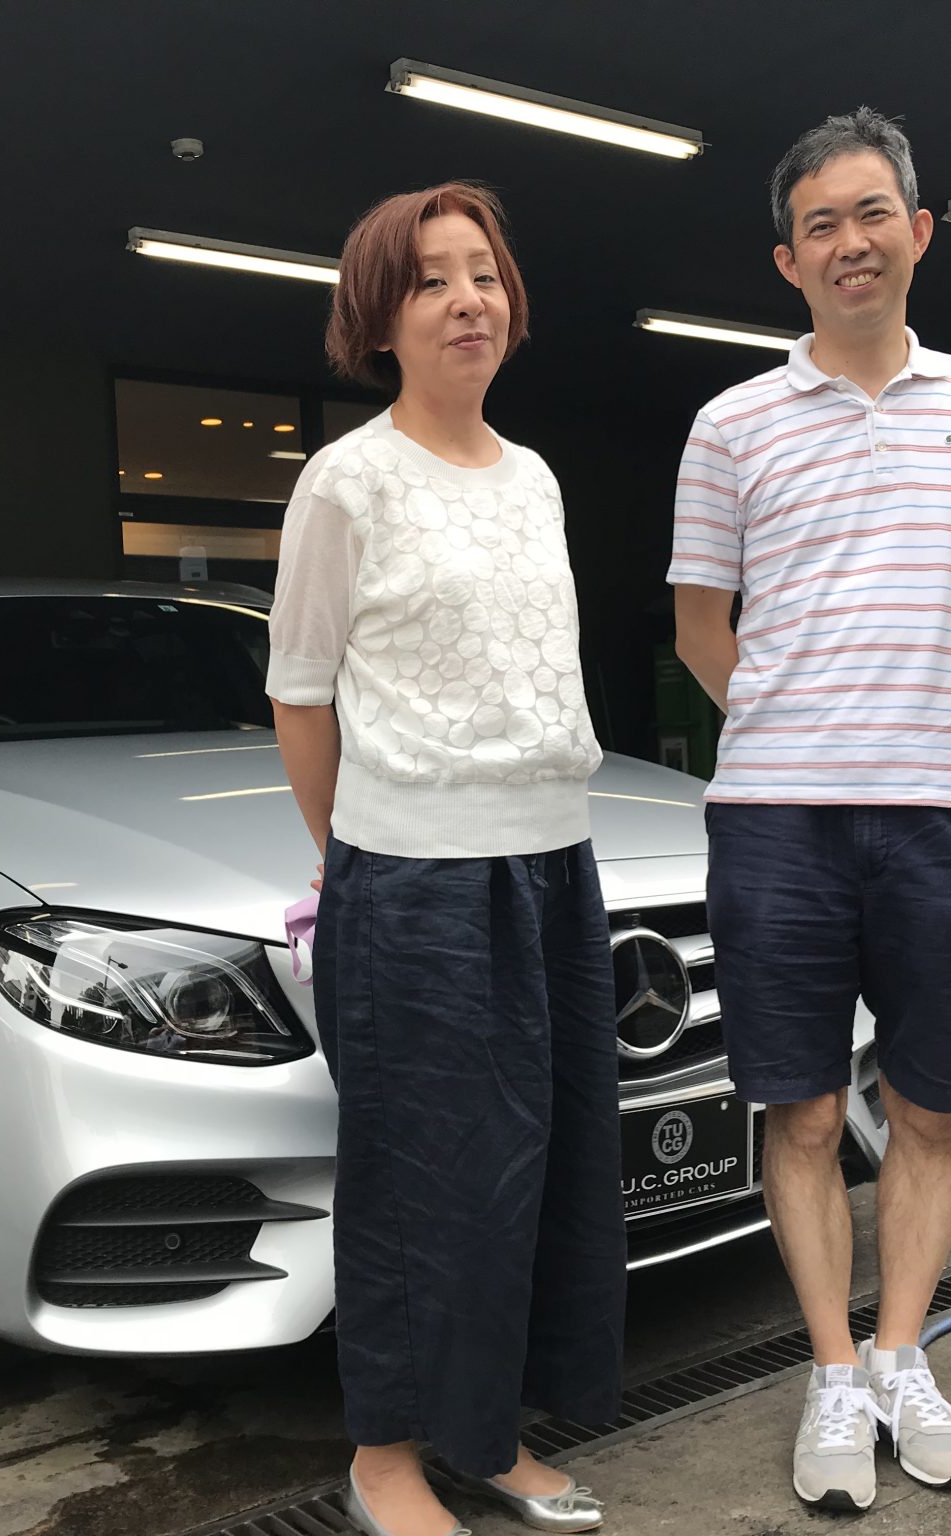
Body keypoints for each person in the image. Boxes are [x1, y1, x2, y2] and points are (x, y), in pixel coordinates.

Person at [667, 107, 951, 1513]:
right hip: (776, 816)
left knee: (930, 1103)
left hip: (944, 811)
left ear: (919, 230)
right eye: (819, 224)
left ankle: (904, 1356)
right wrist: (796, 722)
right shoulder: (730, 424)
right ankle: (832, 1376)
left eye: (871, 213)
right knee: (799, 1109)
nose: (849, 241)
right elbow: (700, 626)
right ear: (789, 260)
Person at [266, 182, 620, 1536]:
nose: (469, 299)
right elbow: (301, 695)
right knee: (421, 1178)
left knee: (537, 1170)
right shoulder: (346, 481)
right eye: (430, 281)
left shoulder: (532, 476)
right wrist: (358, 862)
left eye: (484, 273)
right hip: (414, 881)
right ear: (380, 321)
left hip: (554, 864)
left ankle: (491, 1437)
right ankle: (385, 1461)